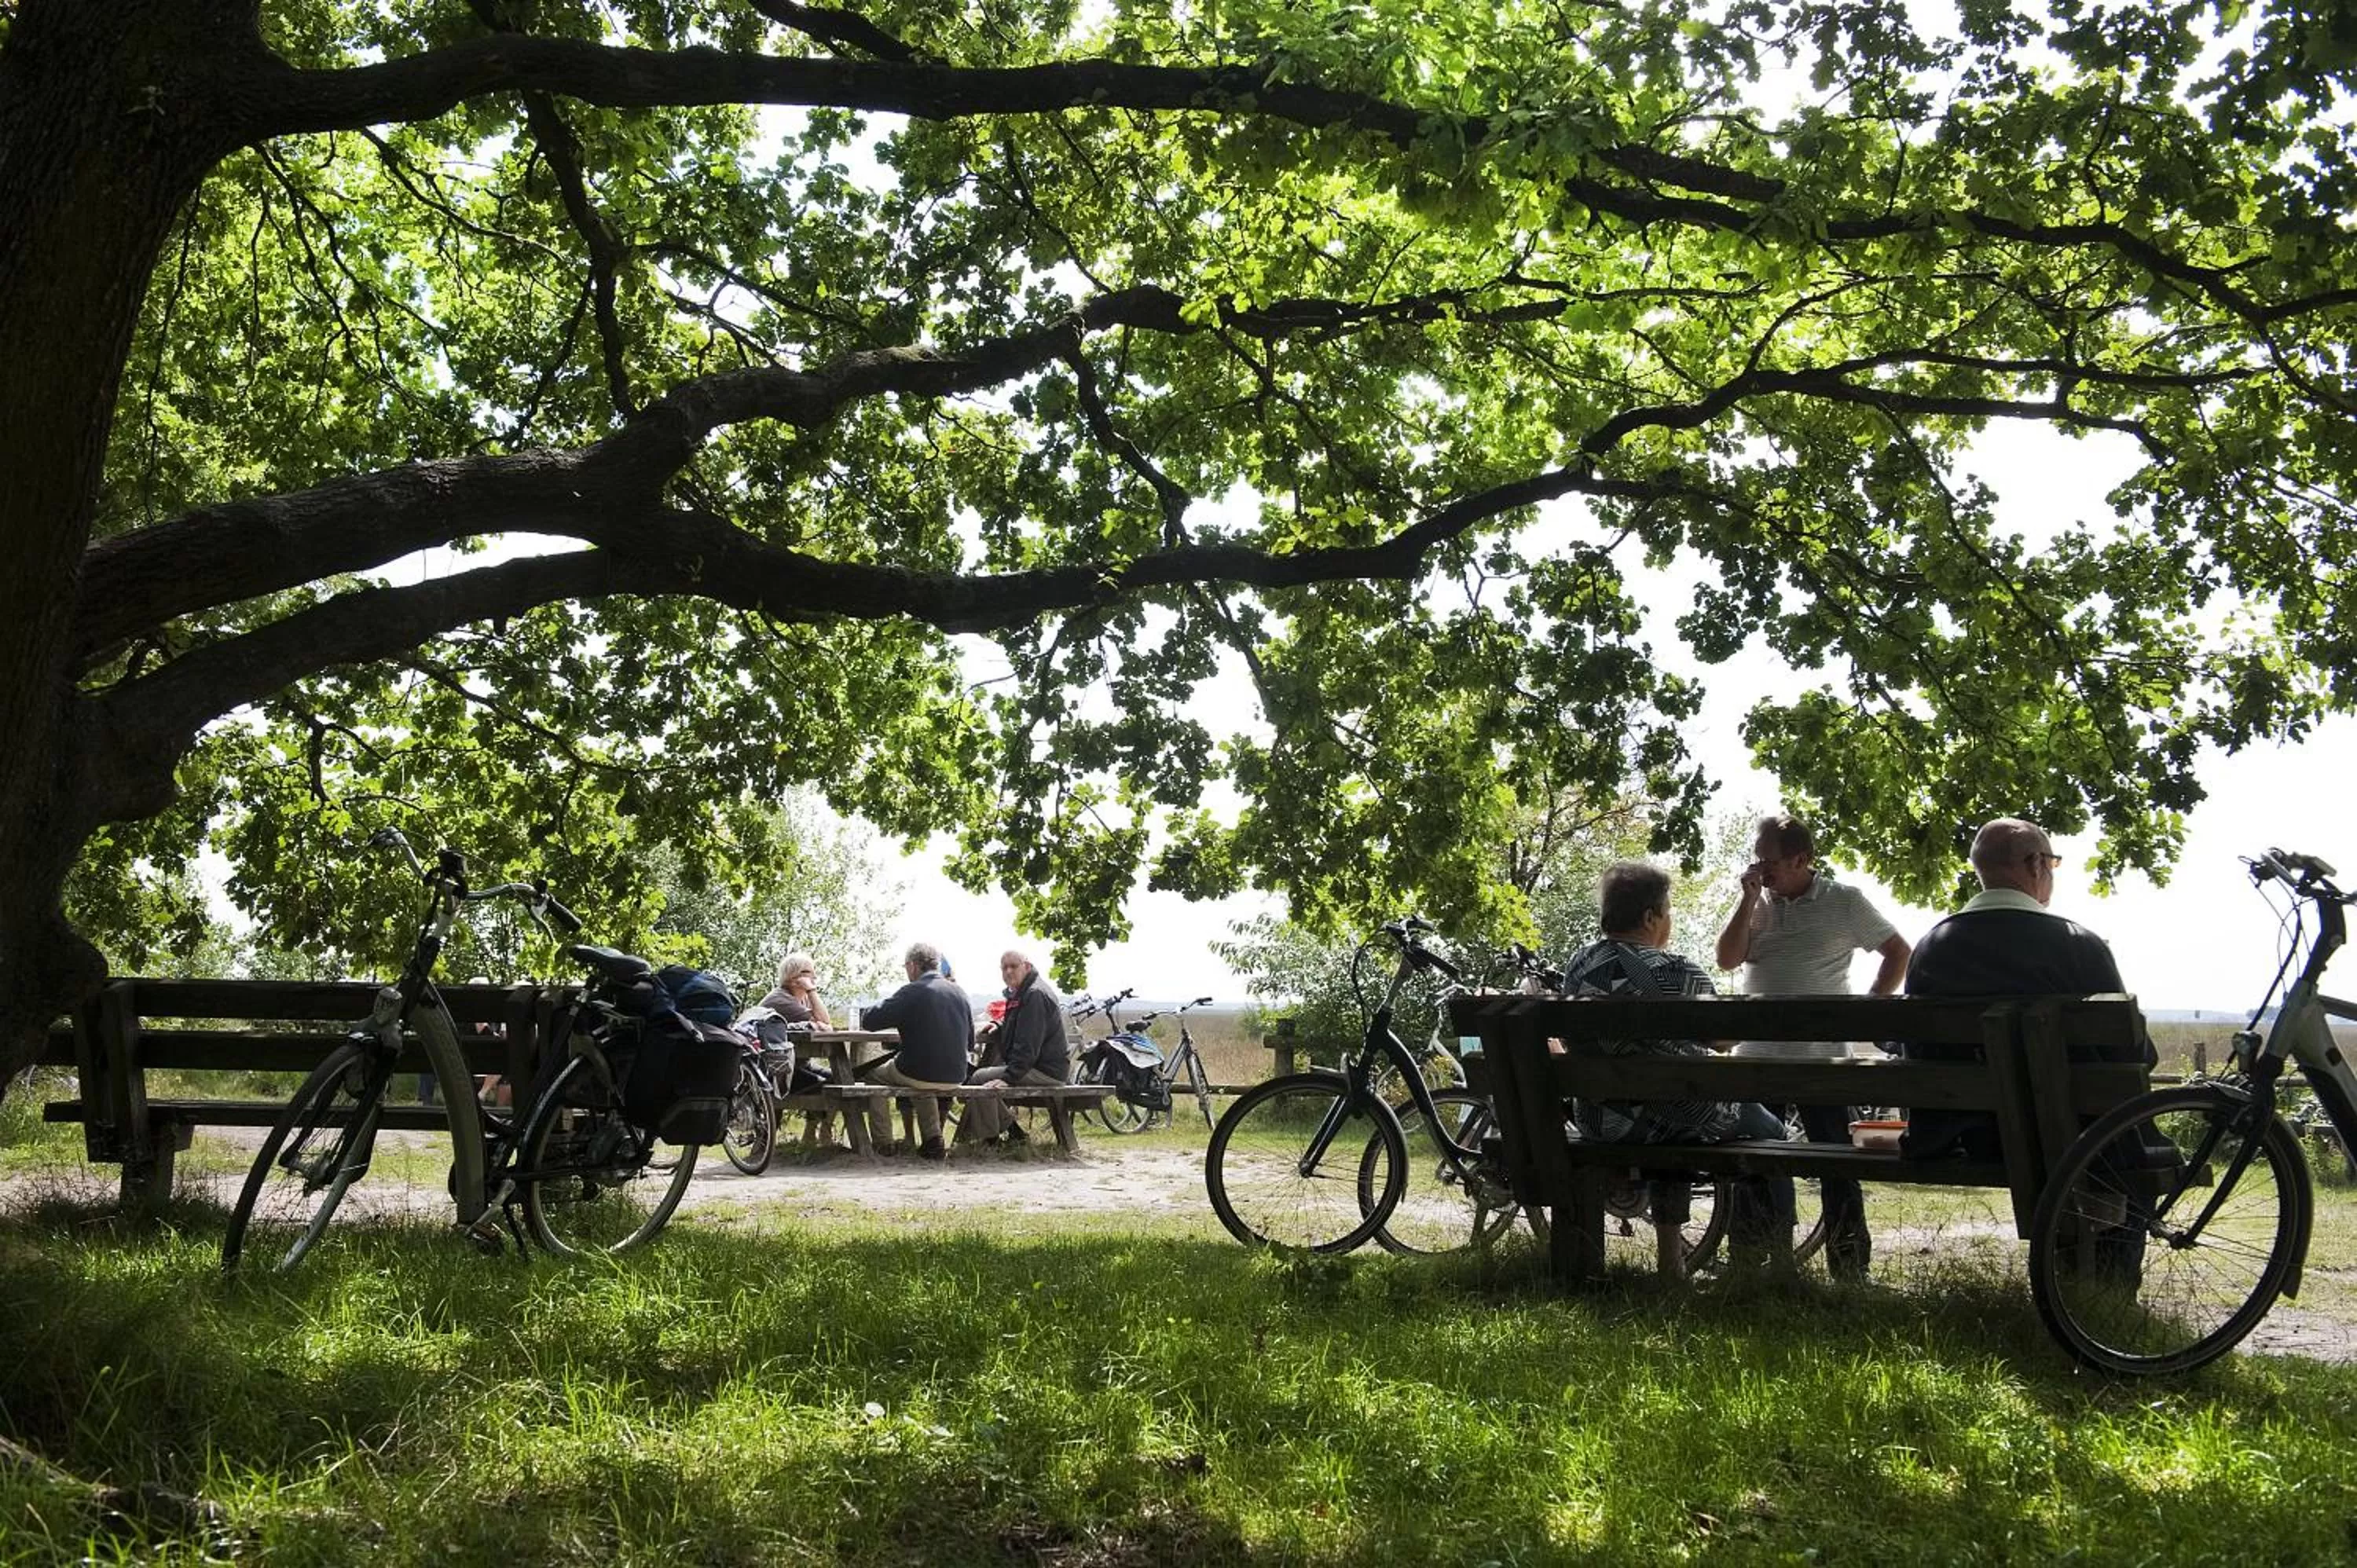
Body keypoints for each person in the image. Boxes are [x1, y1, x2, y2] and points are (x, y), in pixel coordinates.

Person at [1565, 861, 1797, 1276]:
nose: (1668, 920)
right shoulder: (1675, 971)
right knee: (1771, 1133)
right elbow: (1722, 1041)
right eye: (1667, 911)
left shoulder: (1579, 966)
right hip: (1666, 1117)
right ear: (1650, 917)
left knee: (1670, 1111)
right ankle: (1779, 1264)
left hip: (1600, 1120)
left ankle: (1673, 1267)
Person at [1714, 811, 1912, 1280]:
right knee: (1754, 1160)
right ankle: (1752, 1262)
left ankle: (1849, 1268)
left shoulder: (1844, 901)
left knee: (1837, 1164)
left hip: (1822, 1059)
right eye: (1756, 862)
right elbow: (1726, 959)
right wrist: (1747, 900)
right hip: (1759, 1059)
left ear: (1802, 859)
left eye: (1769, 863)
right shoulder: (1757, 903)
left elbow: (1898, 952)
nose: (1760, 871)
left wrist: (1868, 1009)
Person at [1901, 815, 2153, 1160]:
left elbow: (1916, 1045)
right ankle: (2111, 1217)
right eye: (2053, 863)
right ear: (2036, 864)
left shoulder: (1931, 947)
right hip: (2076, 1137)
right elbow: (2131, 1052)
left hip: (1967, 1138)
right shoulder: (2078, 944)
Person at [855, 941, 973, 1160]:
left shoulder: (913, 991)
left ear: (912, 966)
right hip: (957, 1074)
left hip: (919, 1073)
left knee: (873, 1076)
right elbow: (971, 1041)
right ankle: (933, 1141)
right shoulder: (960, 993)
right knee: (920, 1076)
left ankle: (883, 1143)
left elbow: (870, 1020)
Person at [963, 951, 1069, 1146]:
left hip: (1045, 1070)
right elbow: (1022, 1025)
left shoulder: (1035, 995)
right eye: (1005, 967)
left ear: (1026, 967)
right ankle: (1013, 1133)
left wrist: (1008, 1078)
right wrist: (1000, 1026)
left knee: (978, 1079)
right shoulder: (1024, 992)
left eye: (1014, 966)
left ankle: (991, 1140)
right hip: (1040, 1066)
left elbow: (1028, 1045)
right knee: (983, 1078)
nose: (1009, 971)